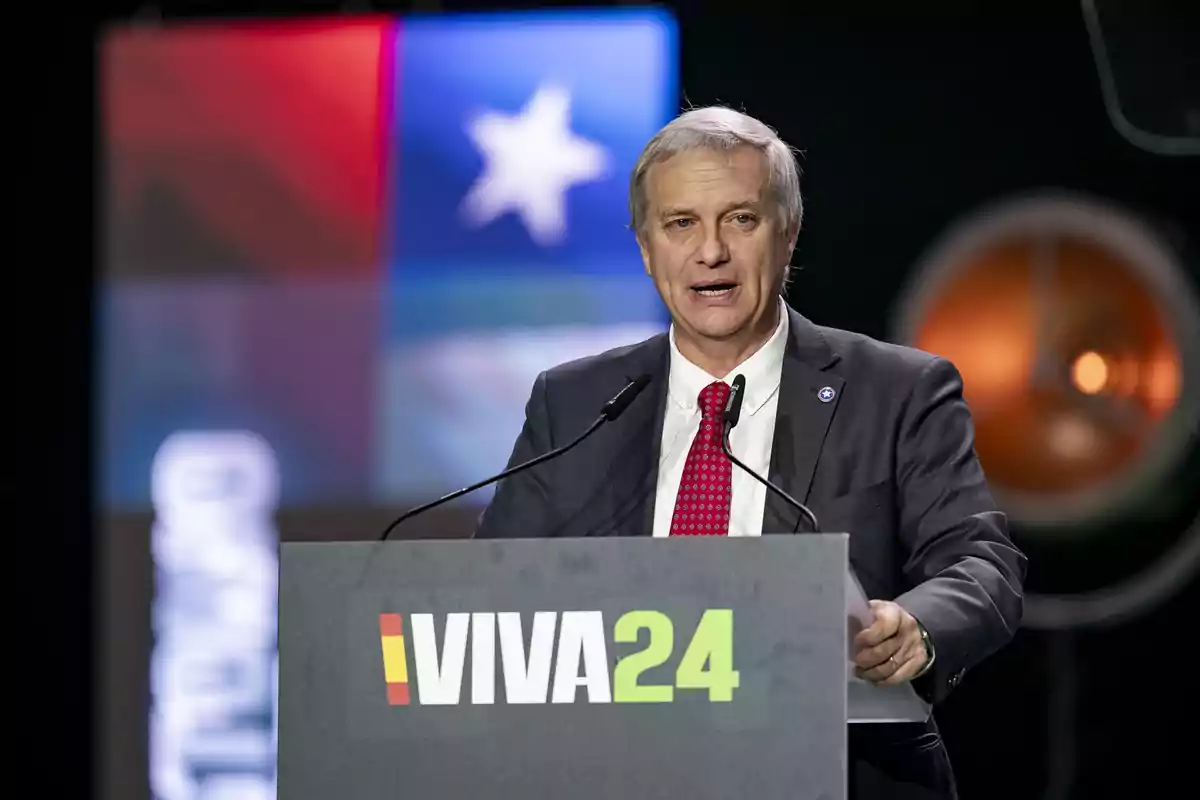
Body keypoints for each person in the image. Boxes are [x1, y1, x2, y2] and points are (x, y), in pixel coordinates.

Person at [475, 106, 1026, 799]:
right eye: (680, 224)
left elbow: (982, 562)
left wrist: (917, 624)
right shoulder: (576, 402)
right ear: (647, 247)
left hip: (835, 771)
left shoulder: (898, 391)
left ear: (787, 234)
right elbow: (490, 599)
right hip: (613, 773)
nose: (710, 252)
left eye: (740, 219)